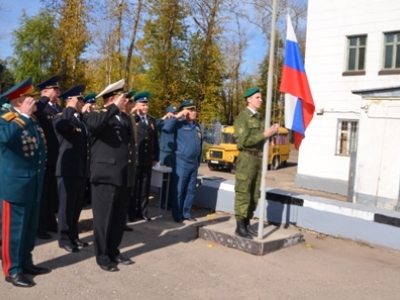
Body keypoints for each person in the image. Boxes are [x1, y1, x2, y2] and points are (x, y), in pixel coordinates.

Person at [0, 78, 50, 288]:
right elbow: (4, 139)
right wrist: (22, 117)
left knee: (30, 229)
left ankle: (26, 263)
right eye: (29, 97)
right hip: (15, 187)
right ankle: (12, 270)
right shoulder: (5, 119)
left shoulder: (33, 120)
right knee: (14, 232)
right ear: (19, 101)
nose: (34, 100)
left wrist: (26, 117)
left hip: (33, 183)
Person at [83, 79, 135, 272]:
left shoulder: (124, 118)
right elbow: (95, 125)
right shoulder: (95, 115)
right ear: (113, 98)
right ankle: (102, 256)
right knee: (103, 219)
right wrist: (112, 106)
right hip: (105, 176)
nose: (127, 101)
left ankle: (113, 250)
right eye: (123, 97)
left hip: (122, 176)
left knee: (118, 218)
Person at [233, 87, 280, 239]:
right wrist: (266, 134)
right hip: (247, 159)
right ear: (249, 99)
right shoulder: (243, 118)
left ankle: (247, 224)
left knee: (254, 193)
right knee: (243, 192)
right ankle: (239, 226)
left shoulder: (260, 118)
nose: (260, 100)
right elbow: (243, 142)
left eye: (261, 97)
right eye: (257, 97)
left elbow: (263, 139)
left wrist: (272, 133)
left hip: (258, 159)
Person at [53, 85, 93, 253]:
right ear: (71, 100)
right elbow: (61, 127)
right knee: (66, 206)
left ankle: (73, 236)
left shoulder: (81, 119)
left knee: (77, 206)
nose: (82, 102)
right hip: (67, 169)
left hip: (81, 168)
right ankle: (63, 239)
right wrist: (69, 107)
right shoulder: (61, 116)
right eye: (79, 100)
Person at [163, 100, 203, 223]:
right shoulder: (179, 125)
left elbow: (200, 144)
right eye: (190, 110)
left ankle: (186, 213)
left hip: (193, 163)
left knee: (190, 190)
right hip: (181, 162)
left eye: (194, 110)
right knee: (179, 190)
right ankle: (177, 214)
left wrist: (198, 162)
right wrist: (177, 116)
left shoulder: (197, 126)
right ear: (184, 111)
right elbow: (165, 128)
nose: (193, 112)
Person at [35, 75, 62, 239]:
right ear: (45, 91)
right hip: (45, 155)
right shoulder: (41, 106)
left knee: (53, 193)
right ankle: (41, 226)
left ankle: (51, 221)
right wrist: (44, 97)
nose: (58, 92)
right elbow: (36, 111)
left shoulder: (58, 108)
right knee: (44, 194)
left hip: (57, 155)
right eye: (55, 89)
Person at [127, 91, 159, 222]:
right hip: (135, 158)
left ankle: (143, 212)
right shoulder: (133, 118)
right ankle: (131, 214)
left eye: (147, 105)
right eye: (143, 104)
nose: (145, 107)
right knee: (133, 188)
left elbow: (155, 140)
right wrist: (133, 111)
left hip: (147, 159)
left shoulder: (151, 120)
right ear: (137, 105)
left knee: (145, 188)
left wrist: (155, 157)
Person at [155, 105, 178, 208]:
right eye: (171, 113)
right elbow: (155, 124)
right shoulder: (163, 124)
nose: (173, 115)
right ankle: (163, 202)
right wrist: (164, 117)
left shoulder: (176, 124)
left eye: (175, 113)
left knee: (173, 179)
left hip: (174, 153)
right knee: (164, 180)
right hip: (164, 153)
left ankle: (170, 202)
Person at [82, 92, 97, 207]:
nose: (93, 106)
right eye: (90, 104)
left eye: (94, 104)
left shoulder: (96, 117)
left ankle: (89, 198)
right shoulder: (82, 117)